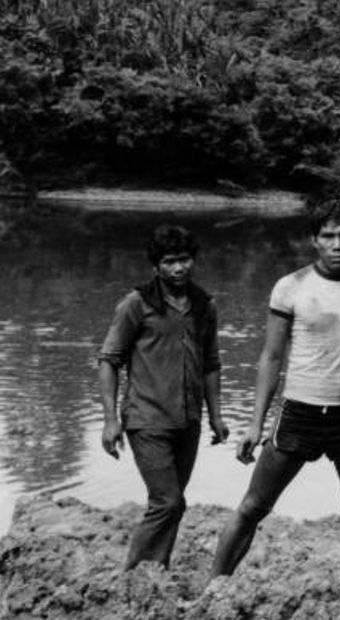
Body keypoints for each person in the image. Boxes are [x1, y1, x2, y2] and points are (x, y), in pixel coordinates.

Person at [213, 200, 340, 576]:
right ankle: (214, 585)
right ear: (314, 241)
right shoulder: (291, 286)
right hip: (299, 411)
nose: (337, 245)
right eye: (328, 236)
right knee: (254, 505)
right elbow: (270, 357)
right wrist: (255, 424)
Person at [97, 224, 229, 569]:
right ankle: (134, 575)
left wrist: (216, 416)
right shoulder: (135, 304)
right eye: (170, 261)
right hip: (146, 418)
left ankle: (156, 570)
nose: (179, 268)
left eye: (184, 259)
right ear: (156, 267)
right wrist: (110, 421)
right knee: (167, 501)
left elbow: (211, 364)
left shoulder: (204, 305)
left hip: (188, 420)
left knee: (174, 502)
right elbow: (108, 360)